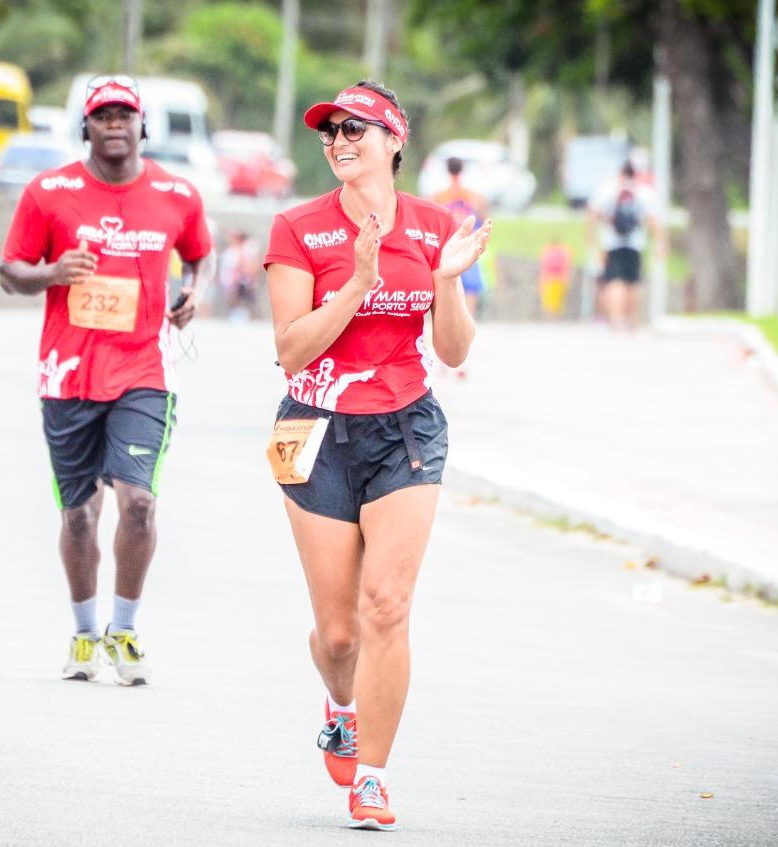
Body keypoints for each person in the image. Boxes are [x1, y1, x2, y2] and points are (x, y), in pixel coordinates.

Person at [264, 81, 488, 831]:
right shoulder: (297, 228)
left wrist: (448, 281)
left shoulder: (435, 226)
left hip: (406, 427)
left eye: (356, 128)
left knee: (386, 606)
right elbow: (291, 351)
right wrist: (358, 281)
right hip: (314, 427)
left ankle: (373, 778)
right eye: (330, 131)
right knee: (340, 634)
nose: (339, 141)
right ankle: (340, 705)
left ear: (396, 140)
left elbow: (453, 349)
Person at [0, 75, 214, 687]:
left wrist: (193, 290)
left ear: (143, 126)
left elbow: (200, 252)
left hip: (145, 368)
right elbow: (9, 271)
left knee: (139, 503)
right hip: (68, 374)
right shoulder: (49, 193)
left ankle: (125, 630)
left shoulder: (177, 194)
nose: (114, 123)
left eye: (125, 115)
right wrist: (52, 273)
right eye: (102, 115)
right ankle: (84, 632)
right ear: (85, 127)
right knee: (78, 518)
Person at [585, 160, 663, 330]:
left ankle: (615, 319)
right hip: (635, 244)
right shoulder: (644, 193)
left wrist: (590, 238)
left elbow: (592, 214)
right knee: (632, 282)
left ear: (620, 173)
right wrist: (660, 243)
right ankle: (632, 321)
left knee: (613, 281)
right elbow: (653, 221)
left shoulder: (607, 190)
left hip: (611, 243)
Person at [430, 157, 488, 319]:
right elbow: (484, 220)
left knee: (446, 283)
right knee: (470, 287)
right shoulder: (475, 197)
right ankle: (469, 320)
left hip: (447, 247)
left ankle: (447, 320)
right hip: (468, 245)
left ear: (447, 170)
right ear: (462, 170)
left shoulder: (438, 197)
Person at [218, 230, 261, 321]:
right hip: (232, 282)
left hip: (243, 281)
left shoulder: (247, 250)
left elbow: (250, 267)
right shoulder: (231, 251)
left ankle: (253, 318)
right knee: (234, 302)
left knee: (247, 302)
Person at [538, 235, 572, 319]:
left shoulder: (547, 251)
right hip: (559, 278)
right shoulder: (563, 251)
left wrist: (541, 280)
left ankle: (551, 318)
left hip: (550, 278)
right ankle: (556, 318)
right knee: (557, 301)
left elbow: (544, 266)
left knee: (550, 301)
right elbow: (566, 265)